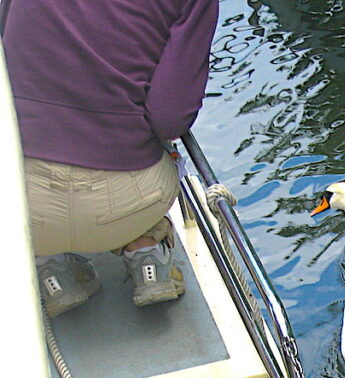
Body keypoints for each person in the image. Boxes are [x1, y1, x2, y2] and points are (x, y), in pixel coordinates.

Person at [2, 0, 219, 316]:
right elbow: (170, 119)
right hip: (128, 208)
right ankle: (146, 254)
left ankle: (53, 272)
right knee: (158, 151)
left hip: (20, 211)